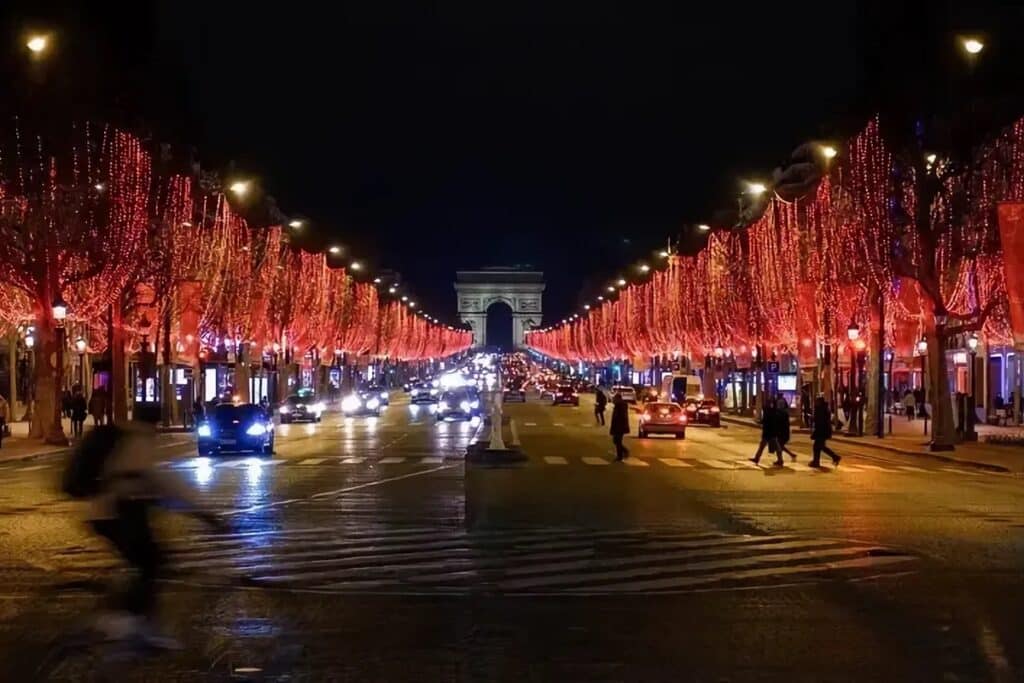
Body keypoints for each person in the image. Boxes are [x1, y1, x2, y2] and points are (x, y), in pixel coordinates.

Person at [83, 404, 226, 647]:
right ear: (155, 421)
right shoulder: (140, 441)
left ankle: (126, 618)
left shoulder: (125, 435)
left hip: (105, 512)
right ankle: (129, 623)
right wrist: (203, 514)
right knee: (151, 564)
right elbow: (163, 483)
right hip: (120, 513)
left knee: (146, 564)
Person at [809, 395, 841, 467]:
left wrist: (813, 419)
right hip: (824, 430)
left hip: (821, 431)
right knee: (820, 446)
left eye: (817, 402)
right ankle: (834, 457)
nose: (815, 403)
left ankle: (816, 462)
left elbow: (820, 421)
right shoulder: (824, 408)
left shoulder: (820, 409)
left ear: (819, 402)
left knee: (817, 446)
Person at [750, 397, 783, 466]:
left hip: (769, 432)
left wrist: (760, 422)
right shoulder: (773, 411)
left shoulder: (769, 411)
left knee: (774, 447)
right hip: (771, 432)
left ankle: (780, 460)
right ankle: (757, 458)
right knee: (771, 446)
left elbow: (765, 421)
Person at [775, 395, 799, 461]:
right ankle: (791, 455)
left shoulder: (782, 413)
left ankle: (780, 460)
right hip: (783, 433)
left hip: (783, 433)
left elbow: (780, 423)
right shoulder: (783, 412)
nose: (778, 405)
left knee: (778, 446)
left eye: (780, 404)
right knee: (780, 446)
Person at [609, 391, 630, 461]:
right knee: (617, 441)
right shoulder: (619, 405)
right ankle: (621, 454)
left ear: (617, 399)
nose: (613, 400)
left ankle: (622, 454)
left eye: (614, 399)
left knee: (617, 441)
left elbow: (620, 417)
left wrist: (618, 425)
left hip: (619, 427)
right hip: (619, 426)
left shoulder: (620, 406)